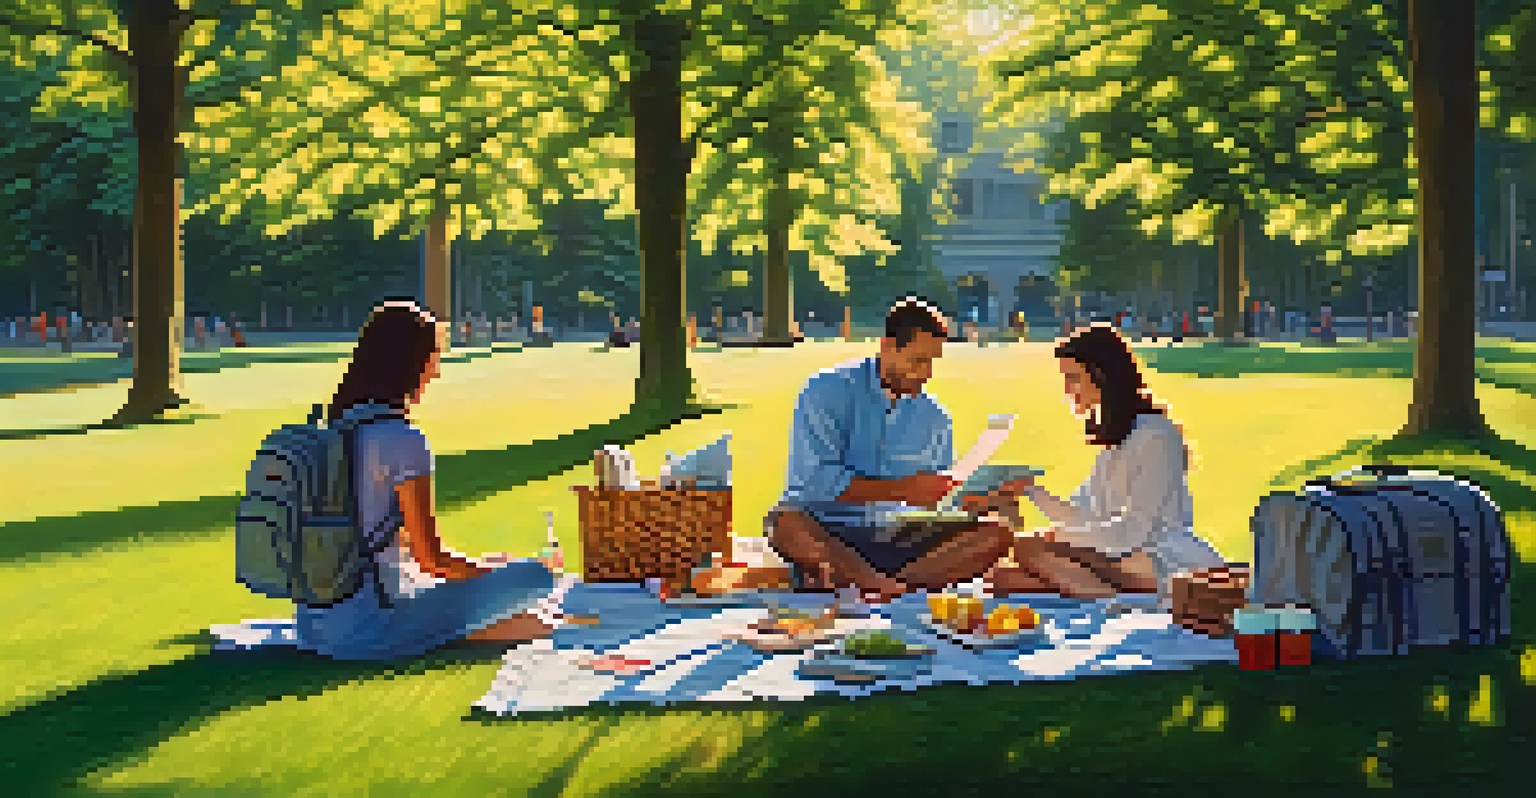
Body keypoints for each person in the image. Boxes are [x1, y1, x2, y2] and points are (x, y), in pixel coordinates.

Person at [293, 300, 557, 661]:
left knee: (520, 604)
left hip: (312, 625)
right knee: (537, 578)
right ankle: (452, 624)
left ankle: (456, 620)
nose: (435, 372)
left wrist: (482, 569)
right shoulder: (402, 440)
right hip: (371, 626)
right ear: (412, 364)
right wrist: (492, 572)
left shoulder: (330, 434)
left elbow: (395, 550)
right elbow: (431, 559)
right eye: (434, 357)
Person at [765, 297, 1013, 602]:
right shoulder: (825, 391)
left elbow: (930, 505)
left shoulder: (936, 418)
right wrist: (903, 490)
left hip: (896, 535)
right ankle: (879, 584)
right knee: (785, 522)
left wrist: (977, 501)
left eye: (933, 362)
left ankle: (874, 584)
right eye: (917, 360)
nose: (925, 373)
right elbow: (815, 481)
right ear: (886, 347)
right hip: (826, 528)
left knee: (996, 533)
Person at [976, 323, 1225, 601]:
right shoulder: (1115, 438)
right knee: (1003, 577)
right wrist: (1031, 493)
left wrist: (1055, 538)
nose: (1068, 391)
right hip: (1121, 553)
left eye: (1073, 378)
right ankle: (1111, 597)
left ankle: (1118, 605)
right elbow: (1088, 518)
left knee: (1029, 548)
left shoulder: (1156, 435)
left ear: (1102, 376)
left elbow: (1131, 533)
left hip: (1161, 558)